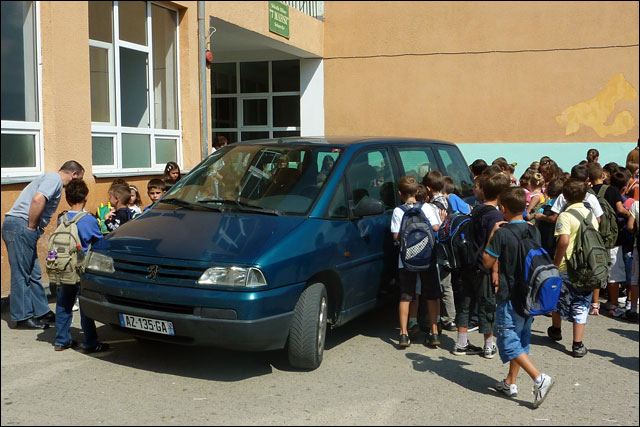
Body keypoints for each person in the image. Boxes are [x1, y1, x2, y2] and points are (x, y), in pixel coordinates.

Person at [483, 187, 554, 407]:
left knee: (508, 338)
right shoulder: (533, 229)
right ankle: (510, 381)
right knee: (522, 337)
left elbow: (486, 261)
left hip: (510, 293)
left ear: (503, 208)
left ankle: (539, 377)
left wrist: (493, 234)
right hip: (530, 292)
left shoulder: (502, 233)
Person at [2, 161, 84, 329]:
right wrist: (31, 227)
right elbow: (38, 199)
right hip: (21, 225)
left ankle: (41, 312)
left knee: (34, 273)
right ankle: (23, 317)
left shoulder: (51, 179)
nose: (77, 183)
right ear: (73, 174)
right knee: (22, 273)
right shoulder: (54, 179)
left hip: (21, 226)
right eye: (78, 178)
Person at [454, 172, 510, 358]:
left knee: (465, 303)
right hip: (484, 265)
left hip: (467, 262)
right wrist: (495, 270)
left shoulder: (476, 209)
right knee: (487, 305)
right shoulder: (495, 216)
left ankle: (461, 343)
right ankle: (488, 345)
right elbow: (495, 244)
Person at [53, 178, 110, 353]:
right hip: (81, 268)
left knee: (63, 303)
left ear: (67, 199)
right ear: (86, 197)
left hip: (64, 267)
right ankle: (90, 342)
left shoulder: (61, 218)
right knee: (85, 306)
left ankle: (62, 340)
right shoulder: (88, 220)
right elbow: (100, 242)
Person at [546, 179, 599, 358]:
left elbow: (564, 240)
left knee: (558, 297)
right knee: (581, 302)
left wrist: (556, 262)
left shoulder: (565, 216)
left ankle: (556, 329)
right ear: (585, 196)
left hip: (566, 265)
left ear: (565, 197)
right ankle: (577, 344)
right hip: (587, 265)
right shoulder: (591, 215)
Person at [390, 176, 442, 348]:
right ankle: (434, 332)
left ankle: (404, 334)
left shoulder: (398, 211)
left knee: (406, 295)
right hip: (427, 256)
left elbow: (396, 236)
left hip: (405, 259)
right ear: (418, 191)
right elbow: (436, 228)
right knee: (432, 294)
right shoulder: (426, 207)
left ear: (400, 193)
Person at [423, 171, 456, 332]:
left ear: (428, 188)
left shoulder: (430, 207)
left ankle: (437, 318)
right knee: (447, 284)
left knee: (437, 284)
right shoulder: (447, 200)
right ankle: (449, 317)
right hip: (450, 247)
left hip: (437, 248)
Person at [623, 199, 639, 322]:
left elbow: (630, 226)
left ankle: (633, 309)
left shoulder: (636, 205)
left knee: (635, 279)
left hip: (638, 246)